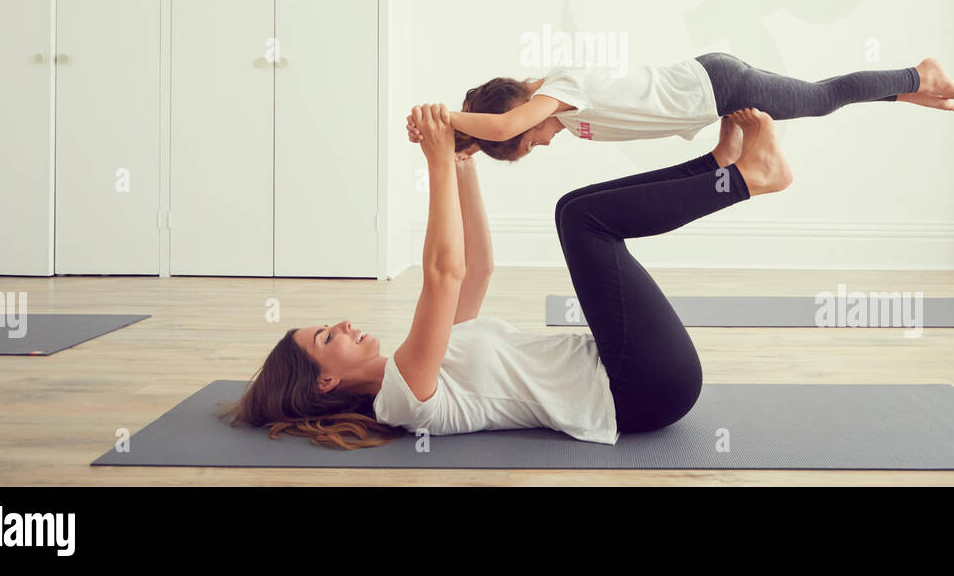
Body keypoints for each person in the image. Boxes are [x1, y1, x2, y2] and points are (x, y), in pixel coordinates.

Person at [223, 103, 791, 448]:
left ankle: (719, 167)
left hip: (627, 368)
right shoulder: (400, 398)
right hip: (640, 391)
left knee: (576, 211)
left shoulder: (415, 359)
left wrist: (463, 161)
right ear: (325, 383)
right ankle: (747, 177)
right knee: (583, 220)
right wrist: (437, 162)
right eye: (328, 338)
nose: (343, 324)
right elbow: (443, 274)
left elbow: (475, 269)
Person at [447, 51, 954, 161]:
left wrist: (443, 120)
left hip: (718, 85)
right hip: (714, 93)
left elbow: (511, 122)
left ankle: (921, 73)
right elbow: (504, 125)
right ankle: (913, 90)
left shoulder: (560, 89)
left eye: (529, 143)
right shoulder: (558, 108)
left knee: (821, 99)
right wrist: (465, 143)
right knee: (820, 98)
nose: (538, 141)